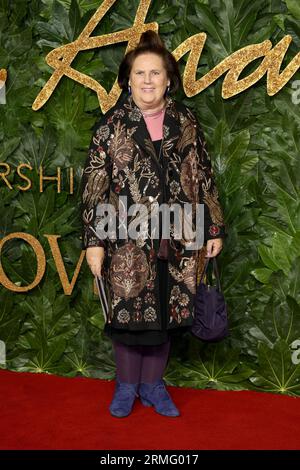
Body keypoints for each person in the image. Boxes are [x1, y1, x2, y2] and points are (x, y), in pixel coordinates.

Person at [81, 30, 226, 418]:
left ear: (168, 79)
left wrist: (213, 229)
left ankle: (153, 385)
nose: (148, 81)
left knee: (165, 313)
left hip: (179, 235)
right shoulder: (111, 126)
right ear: (128, 80)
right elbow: (95, 186)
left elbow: (205, 176)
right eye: (140, 73)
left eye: (156, 73)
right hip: (125, 238)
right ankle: (127, 387)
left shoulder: (186, 121)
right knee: (129, 316)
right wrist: (94, 241)